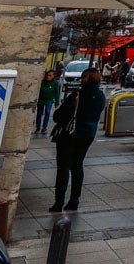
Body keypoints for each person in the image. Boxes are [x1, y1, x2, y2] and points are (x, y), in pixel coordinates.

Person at [50, 67, 106, 212]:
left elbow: (58, 116)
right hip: (87, 135)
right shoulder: (101, 96)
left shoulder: (76, 96)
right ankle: (74, 200)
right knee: (77, 166)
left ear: (85, 79)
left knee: (63, 168)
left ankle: (58, 202)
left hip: (69, 135)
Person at [35, 69, 60, 136]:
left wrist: (57, 102)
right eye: (48, 75)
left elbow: (57, 93)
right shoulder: (42, 82)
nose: (48, 77)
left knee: (47, 112)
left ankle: (44, 128)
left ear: (53, 76)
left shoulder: (55, 83)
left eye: (50, 75)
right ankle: (38, 127)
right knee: (39, 113)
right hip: (41, 99)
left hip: (49, 100)